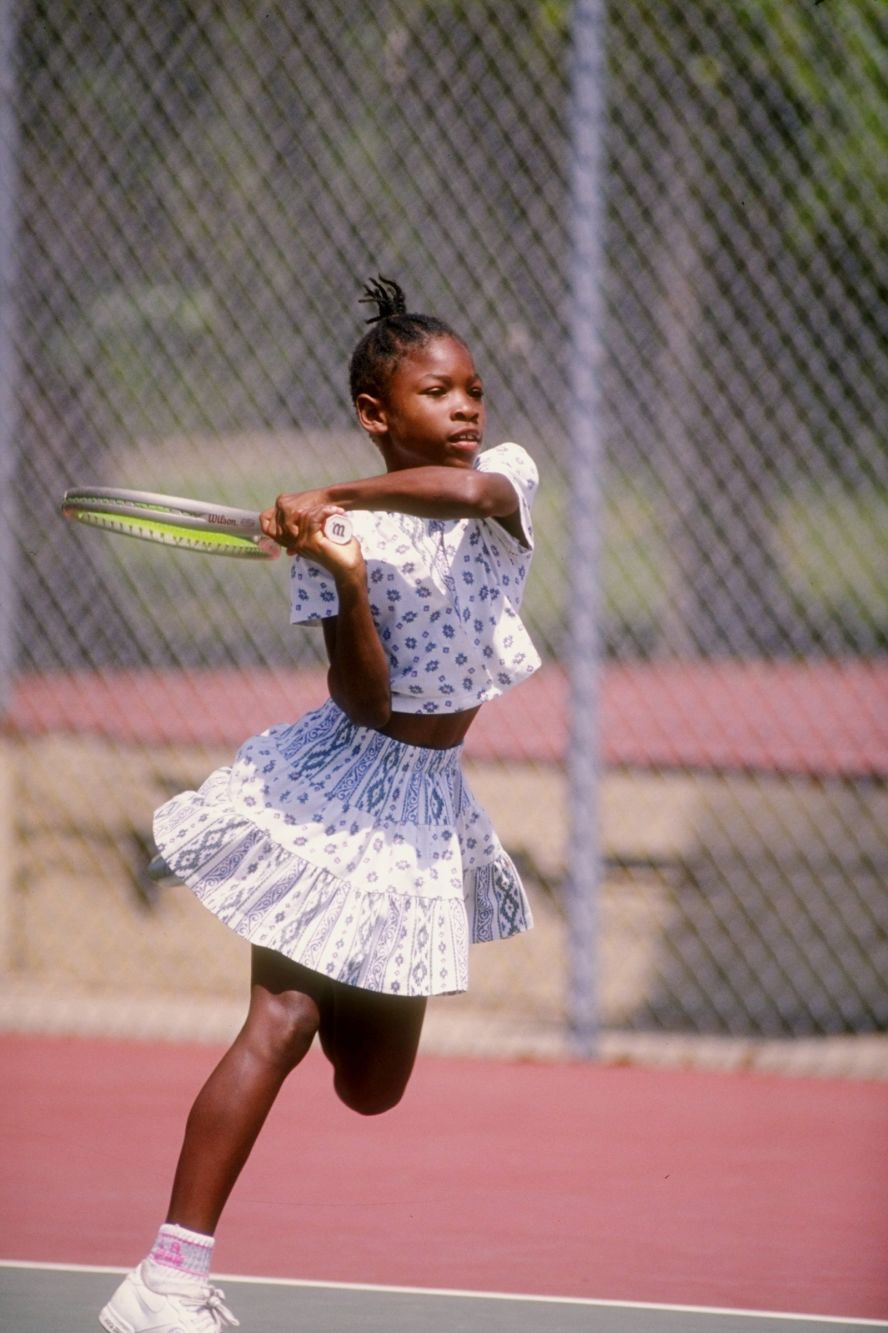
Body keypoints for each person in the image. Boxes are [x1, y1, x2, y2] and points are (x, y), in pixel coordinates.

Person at [99, 276, 542, 1333]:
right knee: (281, 1016)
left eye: (475, 388)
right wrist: (342, 571)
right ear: (378, 412)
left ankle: (171, 1273)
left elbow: (470, 496)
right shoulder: (336, 538)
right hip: (336, 786)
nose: (469, 408)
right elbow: (364, 696)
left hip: (428, 806)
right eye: (441, 393)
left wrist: (332, 497)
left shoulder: (503, 480)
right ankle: (165, 1277)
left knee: (372, 1084)